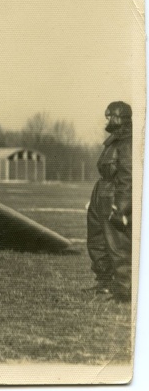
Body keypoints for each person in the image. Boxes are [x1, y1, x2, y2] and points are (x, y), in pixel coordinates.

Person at [85, 101, 132, 303]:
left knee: (117, 245)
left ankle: (124, 291)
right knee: (96, 241)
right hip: (101, 194)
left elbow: (127, 177)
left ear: (121, 118)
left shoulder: (128, 143)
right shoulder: (113, 142)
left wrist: (121, 207)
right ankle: (104, 284)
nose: (107, 120)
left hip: (113, 196)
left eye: (111, 116)